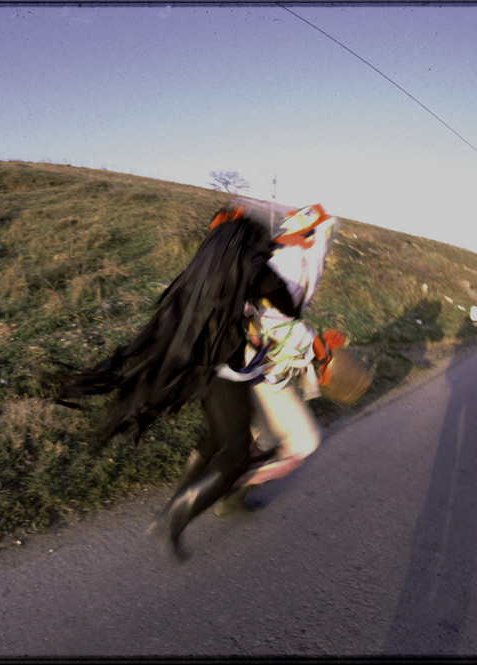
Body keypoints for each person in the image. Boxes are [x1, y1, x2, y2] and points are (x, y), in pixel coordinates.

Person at [48, 203, 342, 560]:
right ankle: (172, 518)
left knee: (219, 437)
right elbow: (286, 309)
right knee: (235, 452)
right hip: (227, 371)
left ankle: (189, 499)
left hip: (201, 367)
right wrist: (310, 340)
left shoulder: (206, 272)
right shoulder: (254, 268)